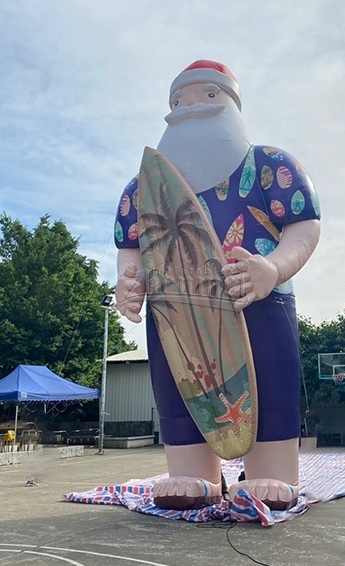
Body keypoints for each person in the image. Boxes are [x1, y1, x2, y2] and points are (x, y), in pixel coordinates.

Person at [114, 60, 320, 510]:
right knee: (179, 381)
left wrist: (273, 268)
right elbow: (130, 245)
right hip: (174, 309)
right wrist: (128, 281)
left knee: (268, 377)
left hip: (256, 296)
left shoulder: (270, 167)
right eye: (177, 101)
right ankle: (192, 472)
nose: (187, 109)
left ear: (230, 102)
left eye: (206, 95)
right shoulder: (142, 189)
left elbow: (304, 226)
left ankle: (272, 471)